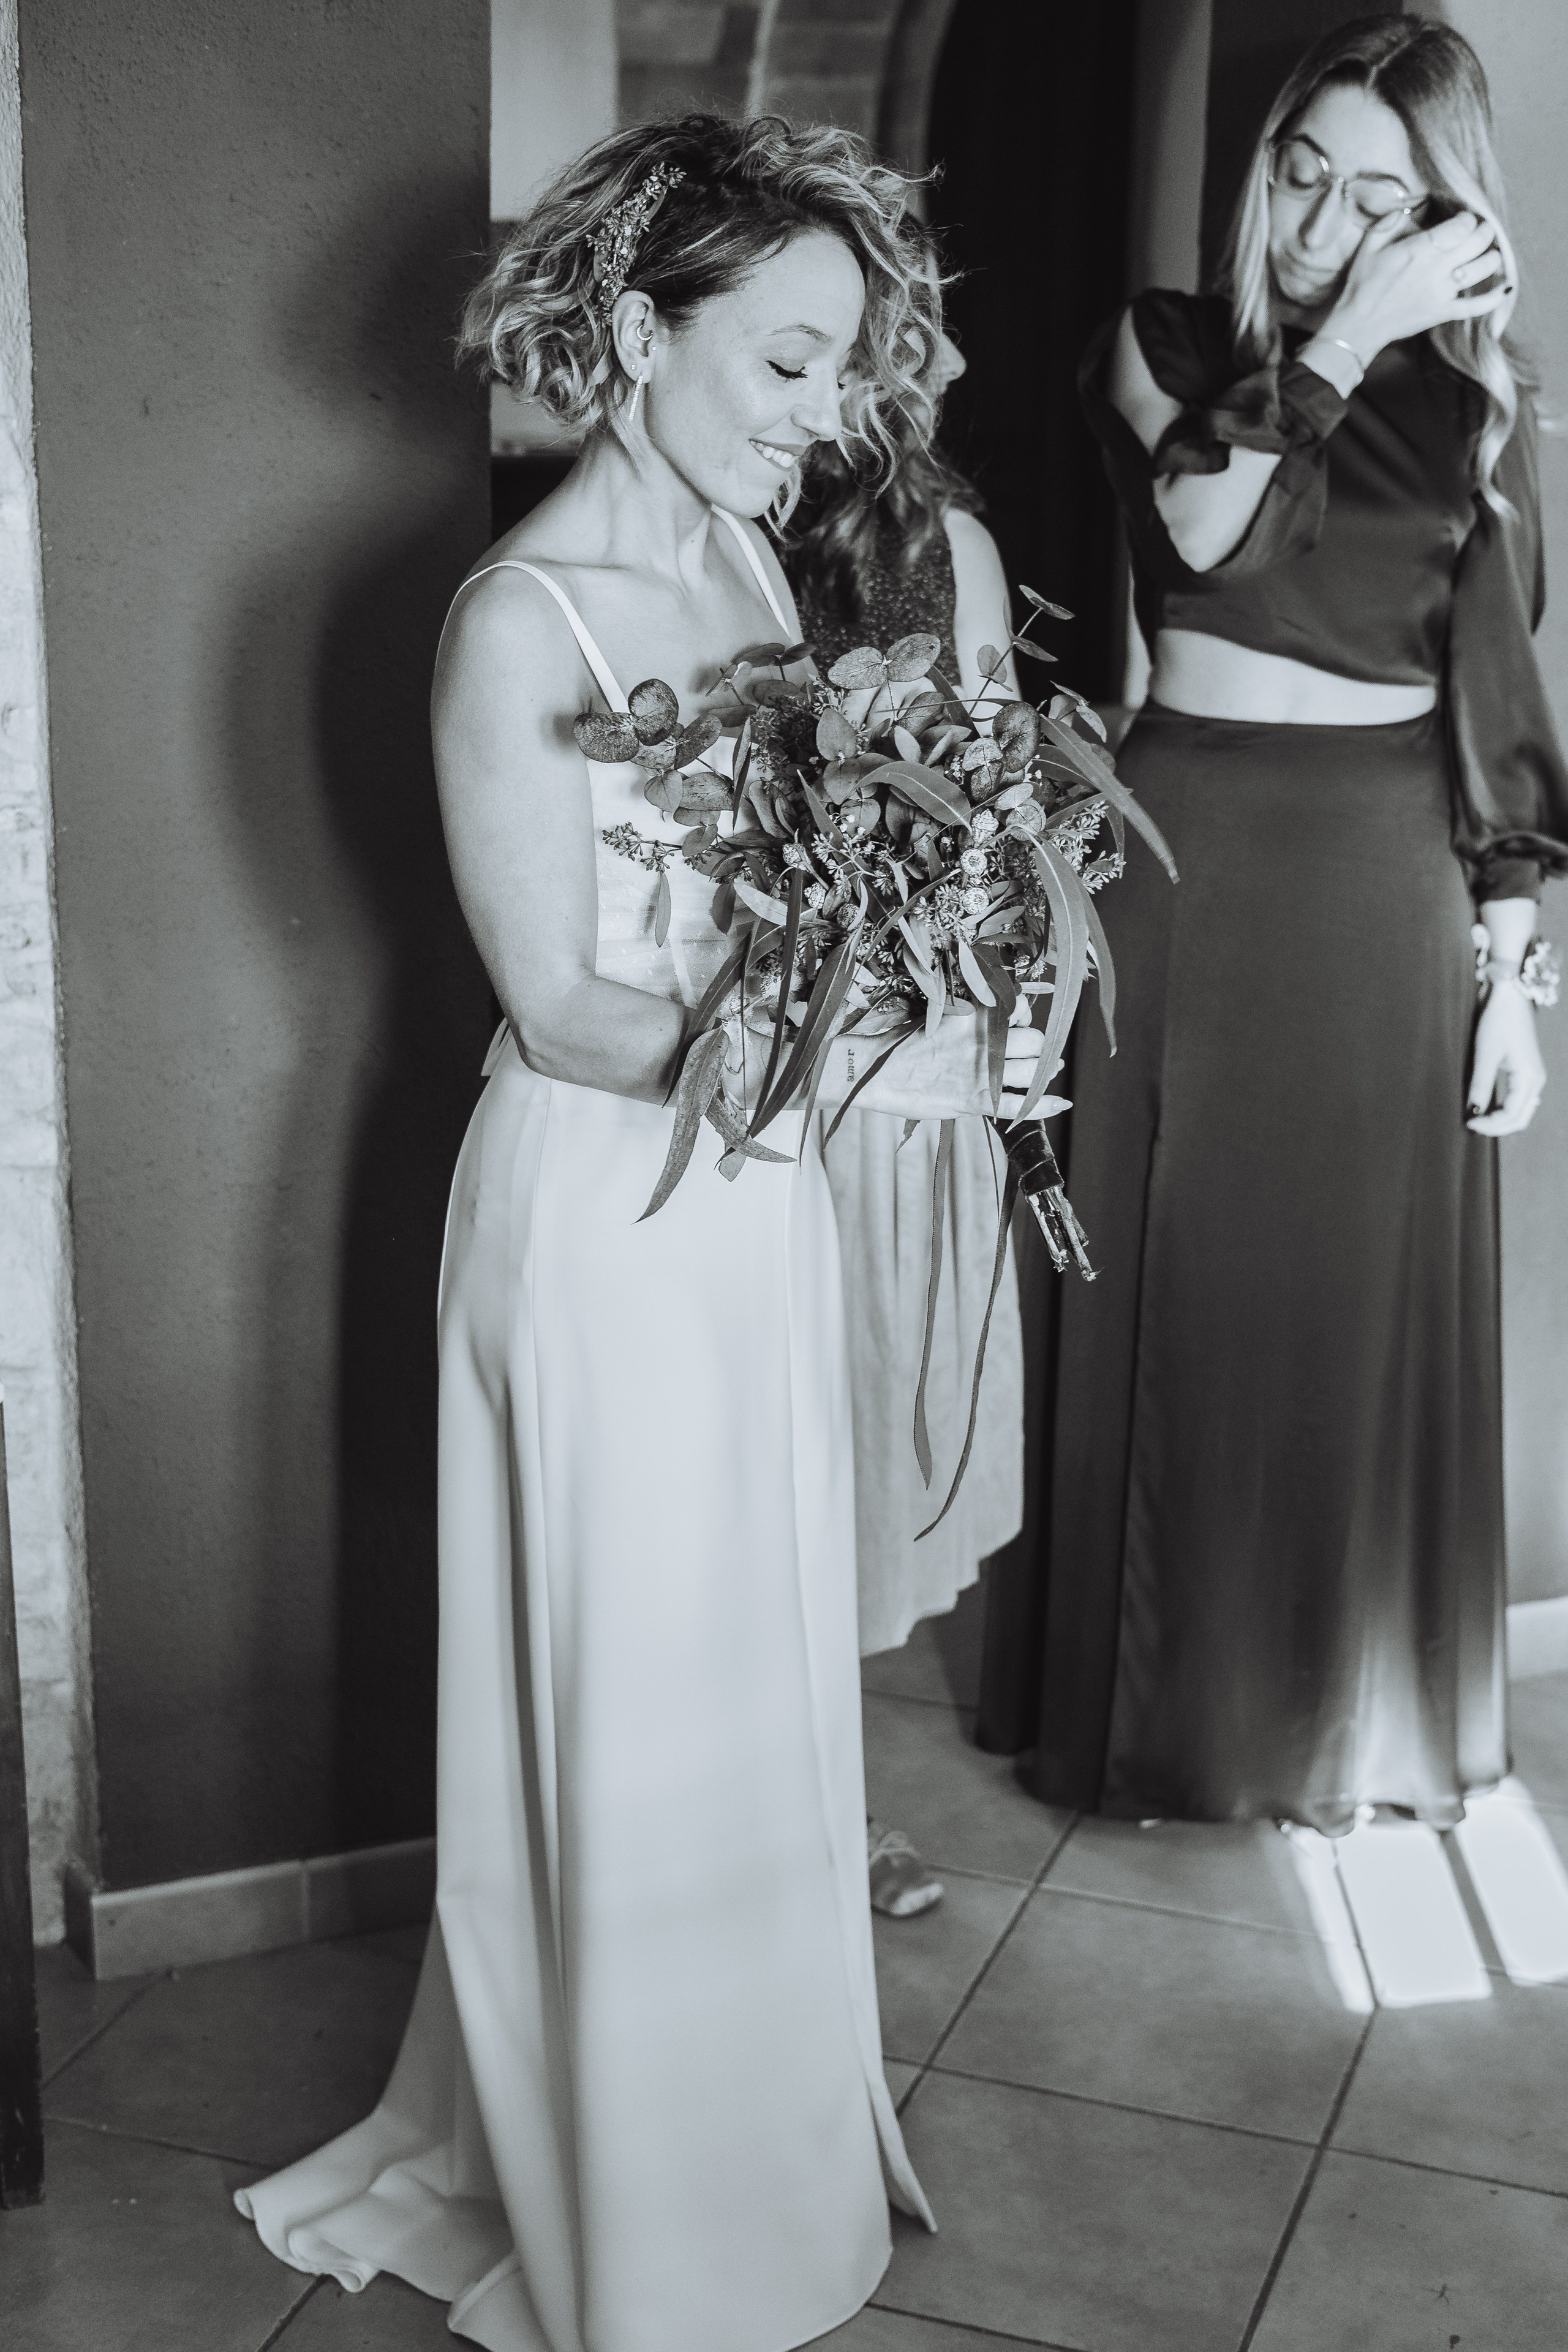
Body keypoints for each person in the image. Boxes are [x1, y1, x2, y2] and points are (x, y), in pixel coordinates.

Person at [233, 115, 1053, 2352]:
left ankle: (763, 2168)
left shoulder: (768, 580)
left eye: (843, 367)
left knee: (755, 1682)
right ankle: (637, 2218)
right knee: (624, 1707)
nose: (825, 414)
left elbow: (803, 905)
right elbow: (571, 1005)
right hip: (603, 1220)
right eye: (786, 362)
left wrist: (918, 966)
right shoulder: (521, 619)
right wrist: (845, 1033)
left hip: (755, 1210)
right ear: (633, 329)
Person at [979, 15, 1568, 1836]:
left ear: (1445, 215)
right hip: (1189, 852)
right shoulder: (1164, 348)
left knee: (1348, 1296)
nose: (1320, 223)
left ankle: (1342, 1726)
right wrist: (1337, 341)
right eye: (1301, 175)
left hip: (1385, 871)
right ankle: (1140, 1723)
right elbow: (1201, 537)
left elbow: (1494, 698)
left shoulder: (1483, 414)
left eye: (1376, 199)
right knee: (1175, 1276)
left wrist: (1514, 972)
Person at [788, 345, 1025, 1917]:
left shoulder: (944, 547)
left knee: (862, 1419)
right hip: (730, 1044)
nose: (939, 361)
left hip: (897, 1053)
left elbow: (996, 795)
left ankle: (829, 1801)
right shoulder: (682, 532)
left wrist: (997, 989)